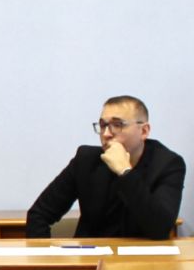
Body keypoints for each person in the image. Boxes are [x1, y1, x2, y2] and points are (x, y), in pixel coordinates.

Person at [26, 95, 186, 239]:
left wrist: (125, 172)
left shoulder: (168, 164)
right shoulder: (85, 160)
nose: (106, 134)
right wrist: (48, 258)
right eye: (103, 125)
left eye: (117, 125)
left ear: (144, 131)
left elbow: (160, 228)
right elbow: (38, 215)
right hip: (92, 257)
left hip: (143, 259)